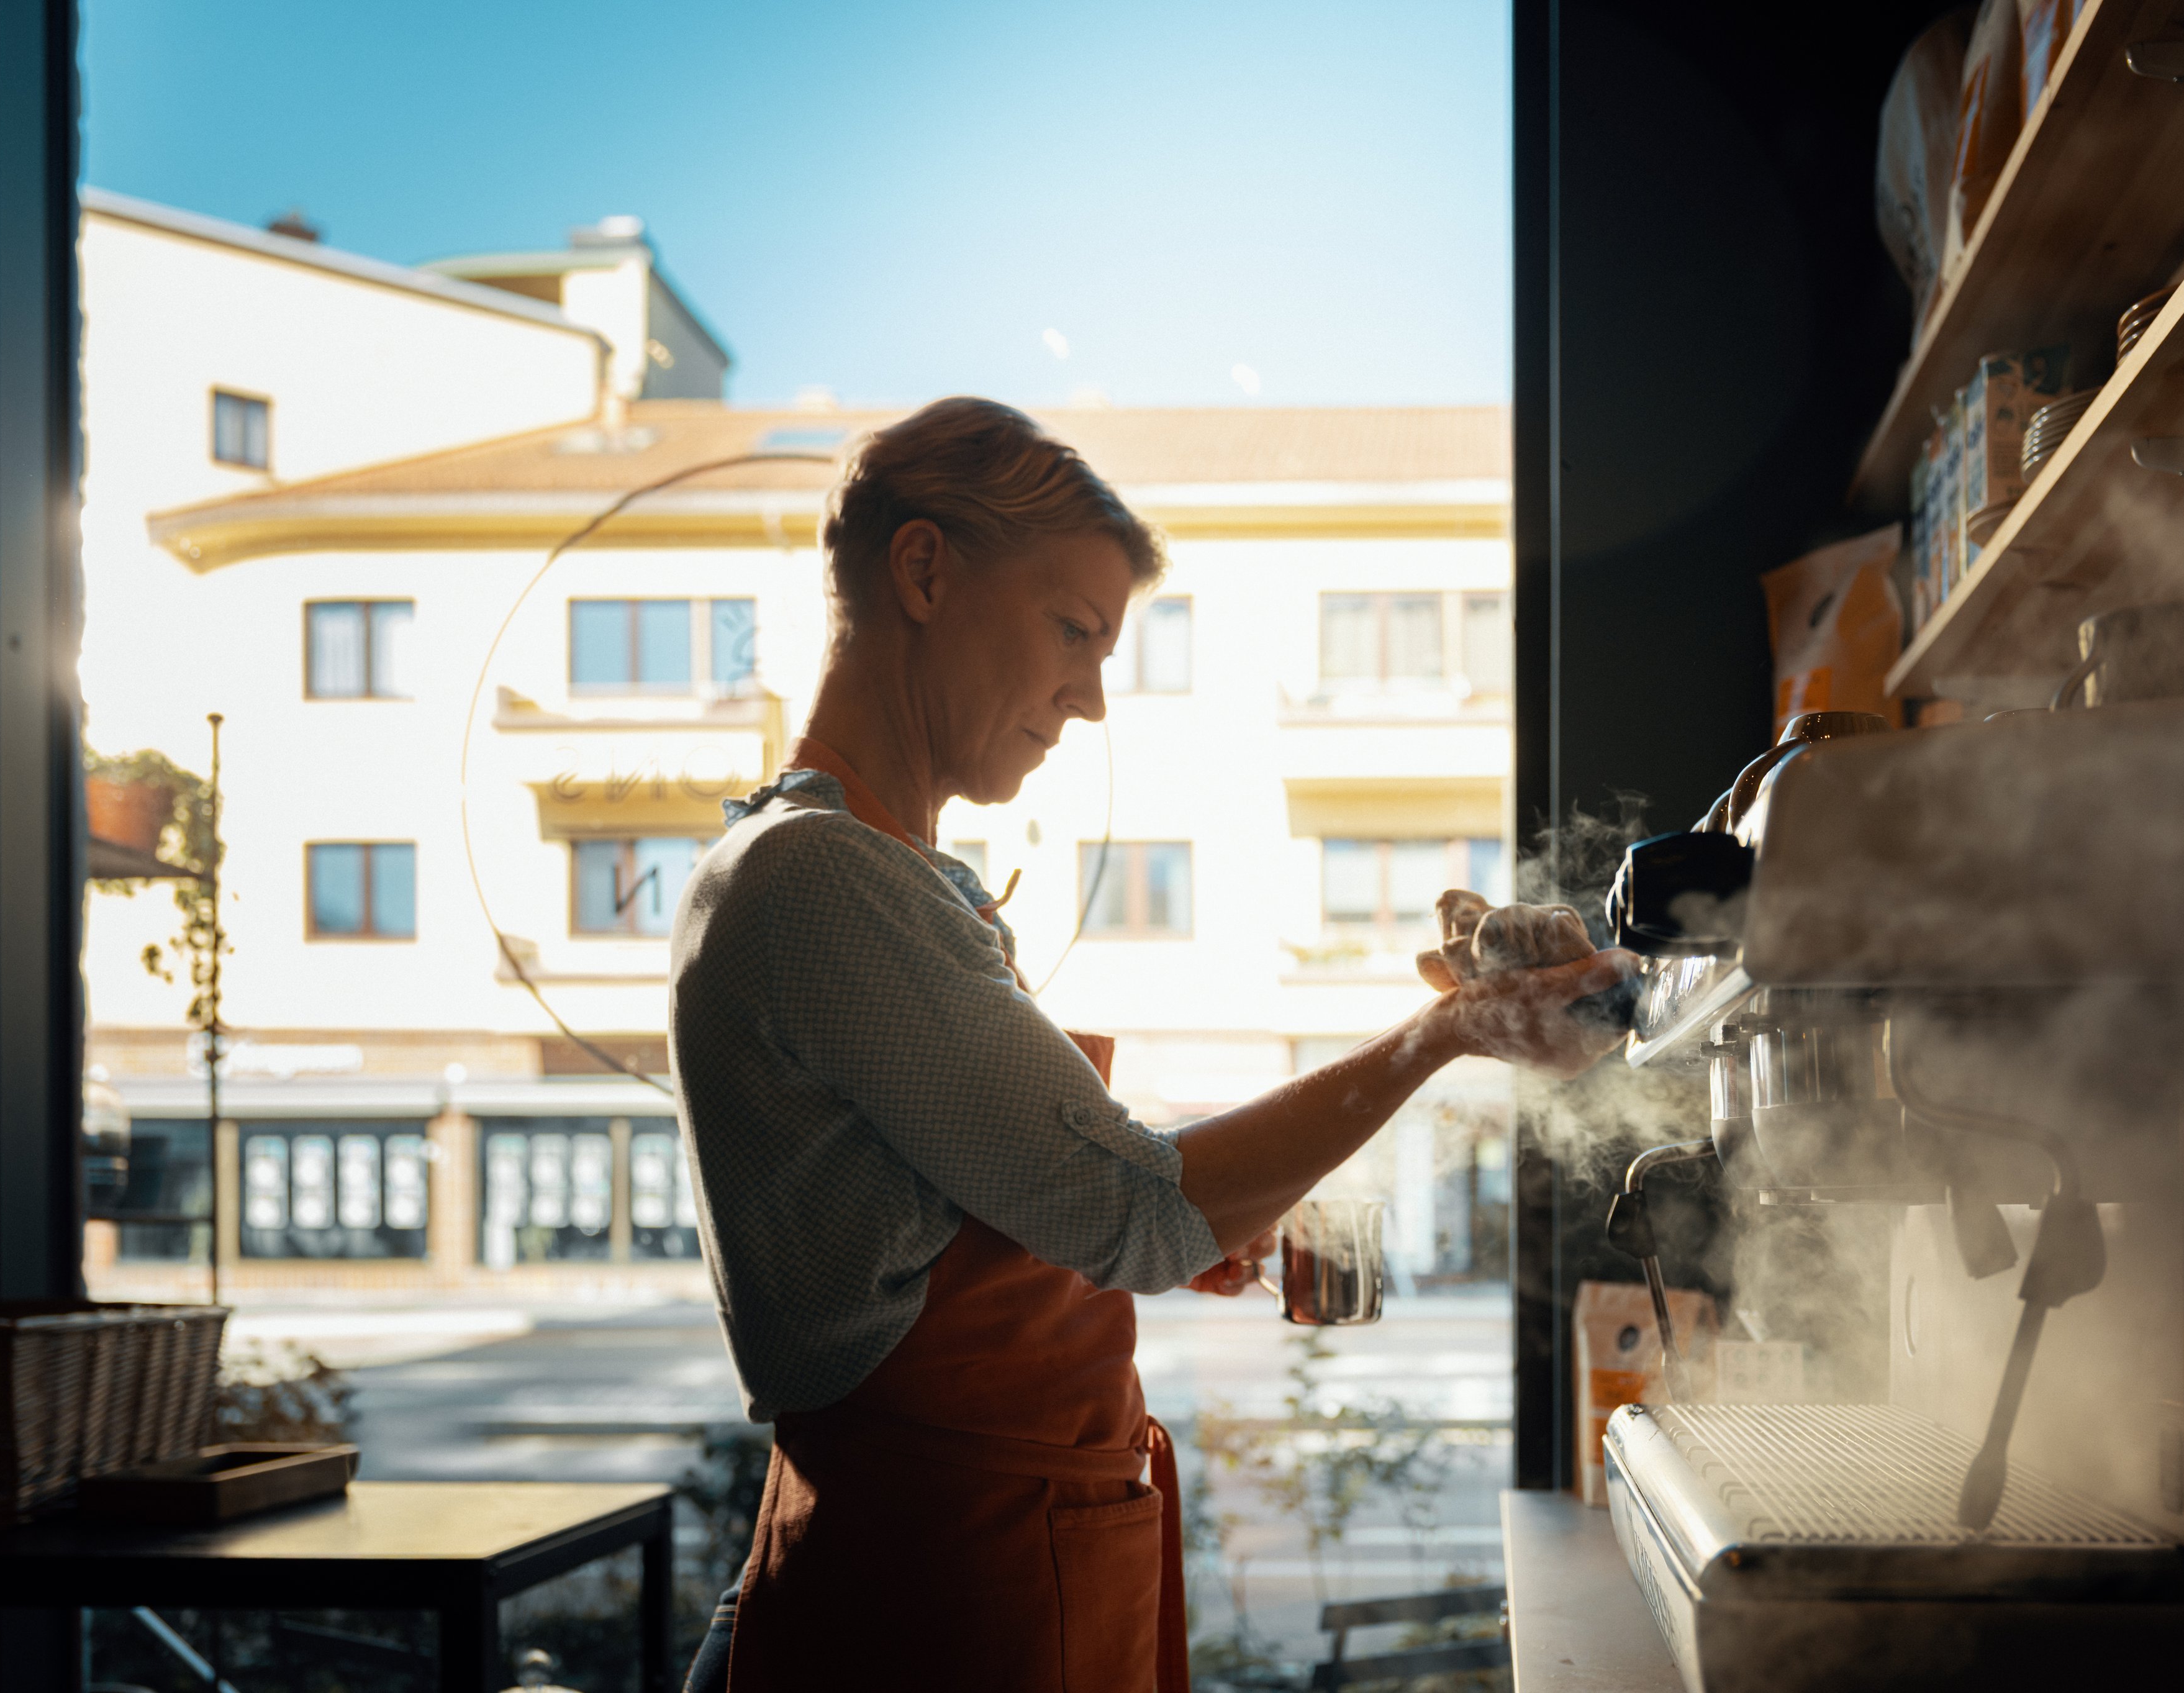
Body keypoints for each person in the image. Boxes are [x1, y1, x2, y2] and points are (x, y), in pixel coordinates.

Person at [669, 397, 1630, 1692]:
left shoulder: (877, 871)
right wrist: (1447, 1031)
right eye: (1073, 630)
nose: (1093, 697)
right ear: (923, 570)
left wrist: (1183, 1237)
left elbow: (991, 1215)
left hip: (999, 1555)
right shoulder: (823, 882)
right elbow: (1131, 1206)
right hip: (943, 1594)